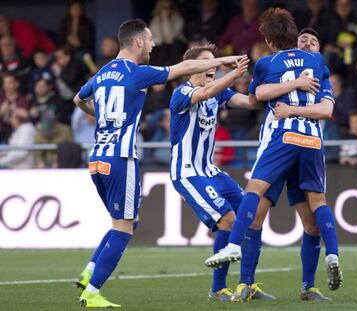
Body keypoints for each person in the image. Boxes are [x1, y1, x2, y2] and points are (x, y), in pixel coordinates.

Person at [73, 18, 245, 308]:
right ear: (138, 41)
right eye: (150, 40)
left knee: (125, 222)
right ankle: (91, 292)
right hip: (121, 157)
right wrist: (225, 60)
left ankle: (89, 269)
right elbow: (185, 68)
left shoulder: (101, 74)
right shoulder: (138, 73)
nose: (153, 44)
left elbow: (79, 100)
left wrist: (102, 115)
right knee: (123, 229)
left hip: (97, 157)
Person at [205, 8, 343, 296]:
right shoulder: (318, 62)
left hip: (280, 138)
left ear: (268, 41)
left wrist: (226, 92)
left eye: (312, 41)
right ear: (295, 36)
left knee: (254, 197)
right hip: (310, 143)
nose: (308, 44)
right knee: (312, 212)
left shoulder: (267, 64)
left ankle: (235, 250)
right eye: (304, 39)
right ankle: (324, 264)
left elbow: (256, 98)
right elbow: (326, 108)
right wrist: (297, 84)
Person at [170, 43, 276, 302]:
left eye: (214, 63)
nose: (213, 67)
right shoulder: (182, 92)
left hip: (211, 171)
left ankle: (247, 284)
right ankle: (218, 289)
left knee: (251, 216)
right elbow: (205, 93)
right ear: (193, 67)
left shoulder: (218, 92)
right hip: (188, 172)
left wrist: (267, 83)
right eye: (207, 63)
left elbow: (250, 102)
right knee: (228, 220)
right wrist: (233, 73)